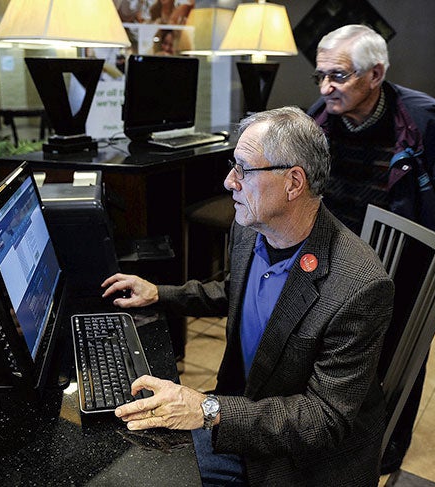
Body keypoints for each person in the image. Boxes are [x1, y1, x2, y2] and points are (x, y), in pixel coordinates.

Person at [102, 106, 395, 485]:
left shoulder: (359, 286)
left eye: (244, 169)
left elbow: (324, 419)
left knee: (141, 475)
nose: (229, 182)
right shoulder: (251, 227)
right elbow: (234, 291)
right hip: (248, 409)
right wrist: (161, 293)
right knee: (128, 444)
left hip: (297, 461)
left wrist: (208, 409)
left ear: (293, 183)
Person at [307, 24, 435, 474]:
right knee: (330, 360)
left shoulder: (430, 125)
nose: (325, 88)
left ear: (375, 75)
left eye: (338, 75)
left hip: (399, 274)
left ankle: (384, 454)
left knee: (394, 366)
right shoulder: (320, 114)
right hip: (330, 267)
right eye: (320, 75)